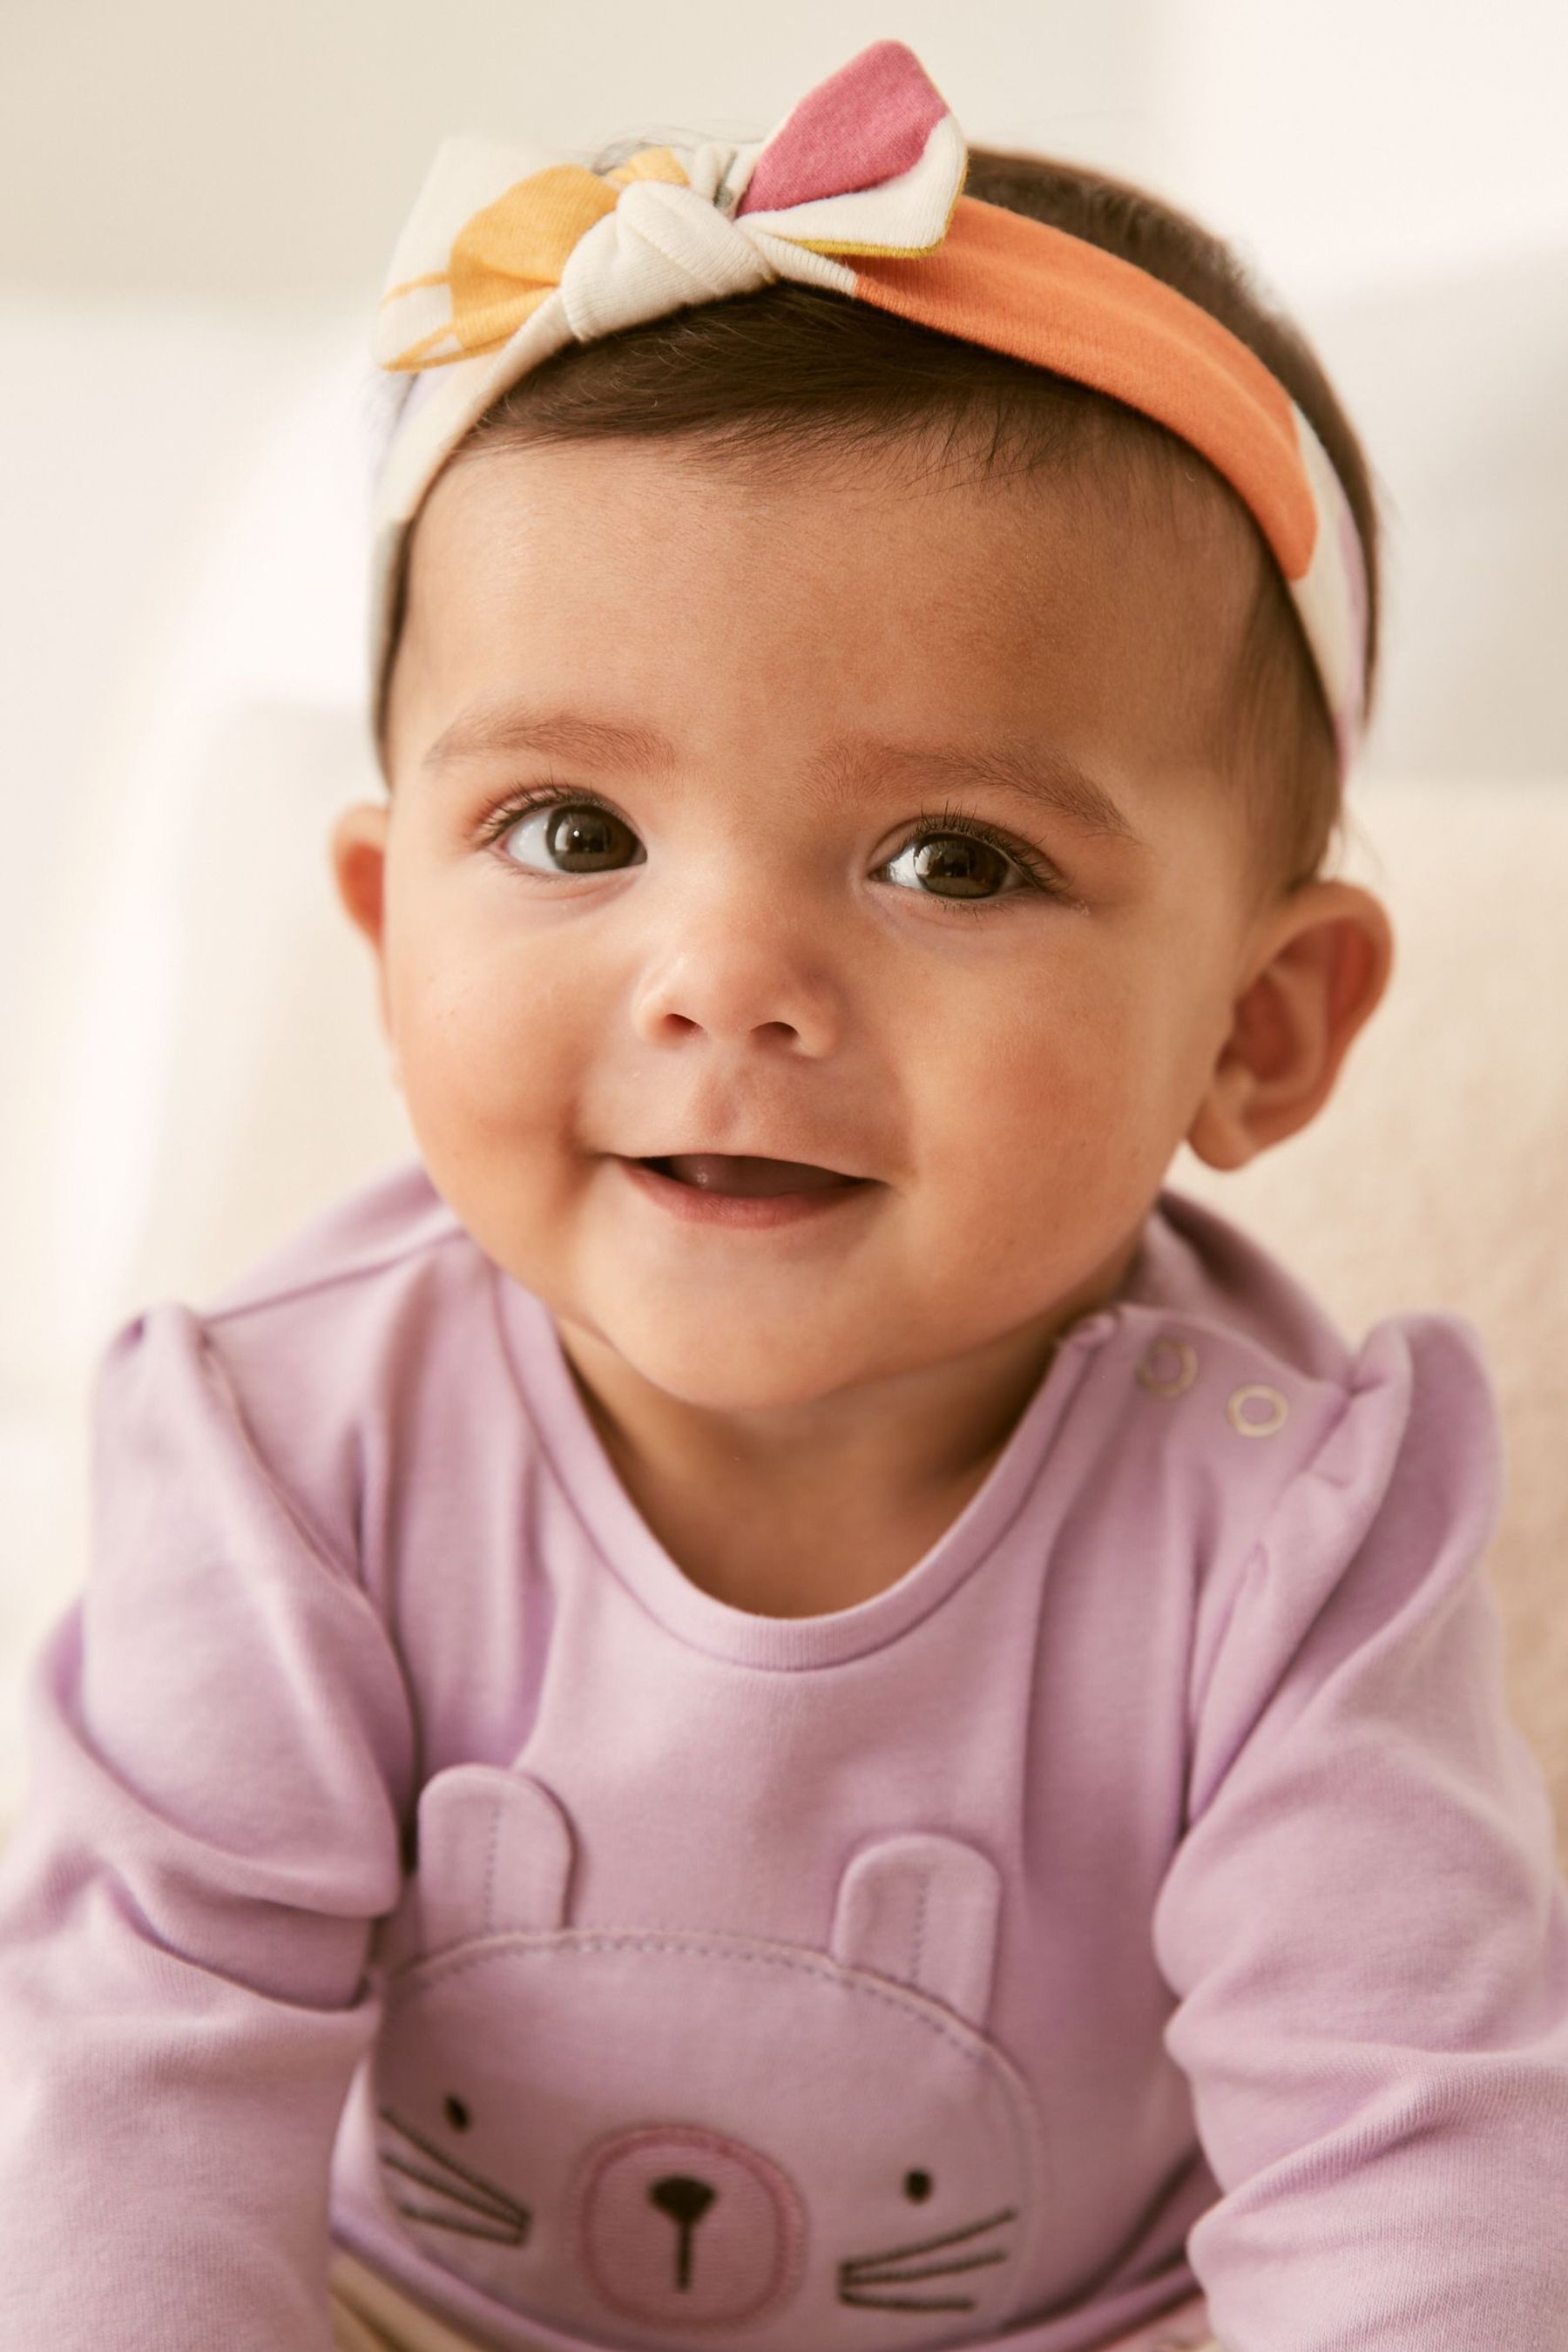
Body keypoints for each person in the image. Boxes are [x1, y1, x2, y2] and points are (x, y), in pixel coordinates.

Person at [0, 37, 1564, 2352]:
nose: (727, 982)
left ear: (1262, 1025)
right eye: (569, 833)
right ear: (383, 923)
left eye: (955, 857)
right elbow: (131, 2097)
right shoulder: (289, 1448)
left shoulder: (1285, 1533)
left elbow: (1410, 2158)